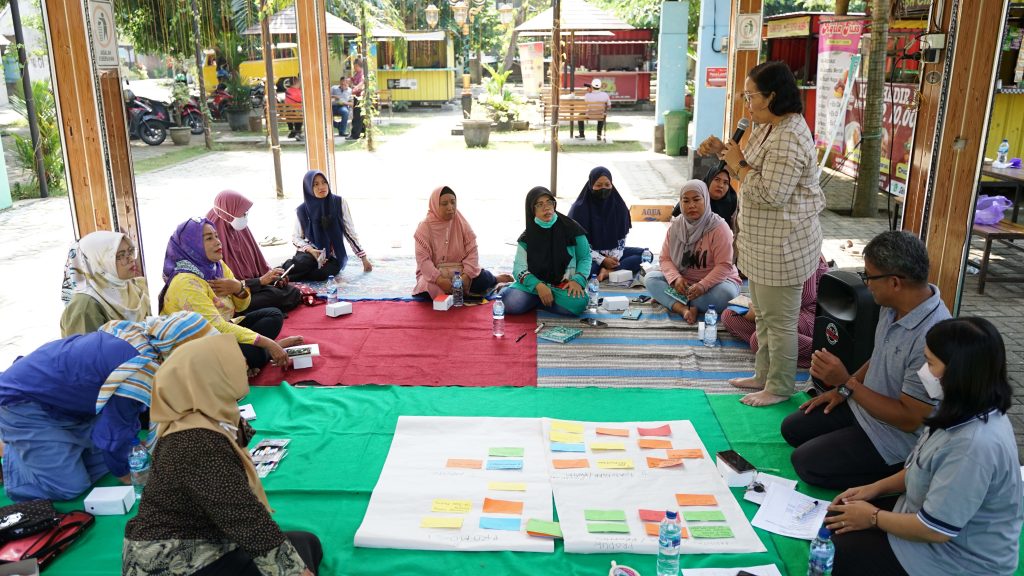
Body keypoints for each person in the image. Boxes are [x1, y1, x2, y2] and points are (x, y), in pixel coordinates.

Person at [825, 317, 1022, 576]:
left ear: (958, 371)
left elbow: (937, 530)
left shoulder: (974, 445)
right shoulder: (962, 407)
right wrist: (874, 489)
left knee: (842, 548)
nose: (922, 371)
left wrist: (873, 517)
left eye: (929, 363)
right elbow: (920, 466)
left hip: (955, 560)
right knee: (837, 520)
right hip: (923, 519)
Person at [123, 334, 322, 576]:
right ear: (210, 376)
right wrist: (294, 571)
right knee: (300, 552)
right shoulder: (196, 442)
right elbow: (242, 516)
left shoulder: (204, 414)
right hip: (173, 561)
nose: (246, 365)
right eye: (234, 361)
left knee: (305, 543)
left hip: (205, 538)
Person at [779, 231, 951, 489]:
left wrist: (847, 382)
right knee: (793, 428)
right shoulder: (892, 305)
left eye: (869, 275)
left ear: (895, 282)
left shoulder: (934, 337)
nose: (866, 283)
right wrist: (841, 390)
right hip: (864, 406)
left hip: (896, 437)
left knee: (806, 463)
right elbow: (879, 354)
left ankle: (905, 476)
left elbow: (909, 420)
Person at [699, 60, 826, 407]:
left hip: (782, 248)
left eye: (750, 96)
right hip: (763, 245)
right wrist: (723, 152)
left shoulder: (790, 137)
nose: (747, 104)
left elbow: (771, 193)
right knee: (765, 317)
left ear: (772, 96)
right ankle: (763, 374)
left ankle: (780, 386)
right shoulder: (770, 125)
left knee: (780, 322)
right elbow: (750, 164)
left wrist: (737, 164)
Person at [0, 312, 214, 501]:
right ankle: (12, 456)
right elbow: (115, 432)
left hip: (65, 404)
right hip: (23, 403)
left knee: (128, 454)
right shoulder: (138, 369)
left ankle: (50, 448)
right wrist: (129, 478)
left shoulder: (150, 338)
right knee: (70, 487)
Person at [159, 218, 301, 374]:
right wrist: (269, 344)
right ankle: (264, 353)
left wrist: (238, 288)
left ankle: (249, 359)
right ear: (191, 245)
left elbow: (242, 306)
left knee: (274, 315)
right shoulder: (186, 282)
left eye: (216, 236)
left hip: (220, 332)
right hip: (195, 347)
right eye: (208, 238)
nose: (218, 242)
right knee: (256, 352)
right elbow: (216, 327)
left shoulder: (216, 266)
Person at [644, 180, 741, 323]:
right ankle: (683, 308)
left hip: (715, 284)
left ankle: (676, 301)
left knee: (727, 294)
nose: (691, 205)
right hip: (684, 283)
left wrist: (703, 285)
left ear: (706, 200)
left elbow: (724, 266)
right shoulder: (676, 226)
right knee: (650, 279)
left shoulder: (719, 228)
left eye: (696, 199)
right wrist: (676, 278)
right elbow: (665, 259)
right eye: (686, 201)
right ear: (681, 203)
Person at [722, 256, 829, 368]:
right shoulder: (766, 248)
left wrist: (763, 312)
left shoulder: (802, 249)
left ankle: (825, 356)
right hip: (778, 308)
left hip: (809, 312)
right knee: (730, 315)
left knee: (760, 340)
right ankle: (776, 347)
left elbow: (806, 296)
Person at [207, 190, 301, 313]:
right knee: (278, 296)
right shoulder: (211, 238)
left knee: (291, 291)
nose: (245, 216)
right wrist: (260, 281)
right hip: (232, 297)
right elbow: (223, 286)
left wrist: (270, 277)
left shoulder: (240, 229)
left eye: (245, 213)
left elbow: (258, 266)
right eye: (242, 213)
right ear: (228, 213)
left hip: (251, 287)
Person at [502, 187, 590, 316]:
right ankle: (543, 298)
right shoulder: (527, 237)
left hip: (562, 286)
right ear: (532, 210)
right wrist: (539, 286)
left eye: (549, 202)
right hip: (534, 286)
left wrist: (577, 280)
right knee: (509, 303)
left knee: (579, 304)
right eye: (539, 204)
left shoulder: (572, 228)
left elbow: (585, 257)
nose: (546, 208)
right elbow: (518, 269)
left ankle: (538, 301)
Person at [413, 186, 512, 299]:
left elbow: (472, 251)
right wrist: (440, 280)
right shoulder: (424, 228)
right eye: (444, 204)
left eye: (453, 202)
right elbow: (423, 261)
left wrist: (466, 277)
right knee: (429, 289)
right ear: (435, 205)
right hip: (433, 276)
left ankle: (495, 279)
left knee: (481, 279)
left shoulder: (461, 222)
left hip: (460, 272)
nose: (450, 207)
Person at [283, 170, 372, 282]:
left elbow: (349, 232)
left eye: (324, 182)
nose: (321, 187)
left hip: (333, 256)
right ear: (308, 188)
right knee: (303, 264)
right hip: (310, 253)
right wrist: (310, 250)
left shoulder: (339, 203)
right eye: (315, 184)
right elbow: (296, 238)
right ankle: (281, 275)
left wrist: (363, 258)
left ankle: (285, 277)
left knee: (320, 275)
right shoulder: (302, 209)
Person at [60, 231, 150, 337]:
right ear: (98, 262)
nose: (130, 259)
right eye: (120, 255)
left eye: (130, 251)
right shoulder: (84, 307)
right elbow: (86, 351)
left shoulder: (137, 285)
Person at [567, 167, 647, 282]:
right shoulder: (579, 209)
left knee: (646, 255)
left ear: (612, 185)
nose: (603, 189)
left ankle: (610, 271)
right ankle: (611, 269)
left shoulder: (619, 206)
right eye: (598, 185)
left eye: (607, 184)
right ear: (591, 185)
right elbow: (577, 244)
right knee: (585, 270)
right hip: (589, 256)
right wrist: (602, 260)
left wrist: (615, 258)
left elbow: (622, 239)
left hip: (613, 253)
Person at [671, 168, 738, 228]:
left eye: (725, 182)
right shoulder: (694, 195)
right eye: (717, 179)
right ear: (709, 180)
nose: (721, 185)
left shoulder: (732, 202)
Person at [347, 60, 365, 141]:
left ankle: (355, 135)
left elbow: (360, 85)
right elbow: (353, 80)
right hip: (356, 96)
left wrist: (353, 87)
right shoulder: (357, 73)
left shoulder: (361, 74)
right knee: (360, 116)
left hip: (360, 97)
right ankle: (362, 133)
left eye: (354, 66)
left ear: (358, 65)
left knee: (357, 116)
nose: (354, 68)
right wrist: (349, 80)